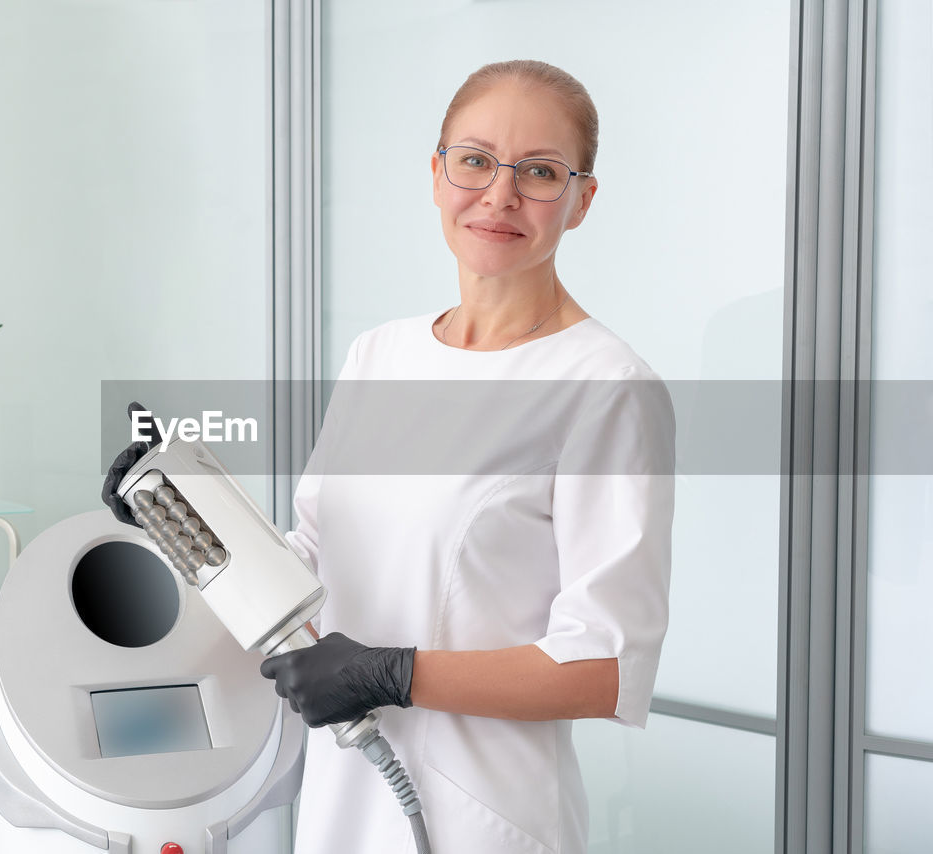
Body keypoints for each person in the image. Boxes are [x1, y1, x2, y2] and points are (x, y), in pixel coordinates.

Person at [105, 60, 673, 854]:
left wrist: (395, 674)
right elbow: (308, 560)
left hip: (487, 819)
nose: (500, 195)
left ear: (581, 200)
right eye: (475, 160)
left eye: (540, 172)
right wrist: (179, 517)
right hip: (344, 797)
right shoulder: (382, 353)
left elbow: (603, 667)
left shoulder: (606, 387)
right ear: (438, 174)